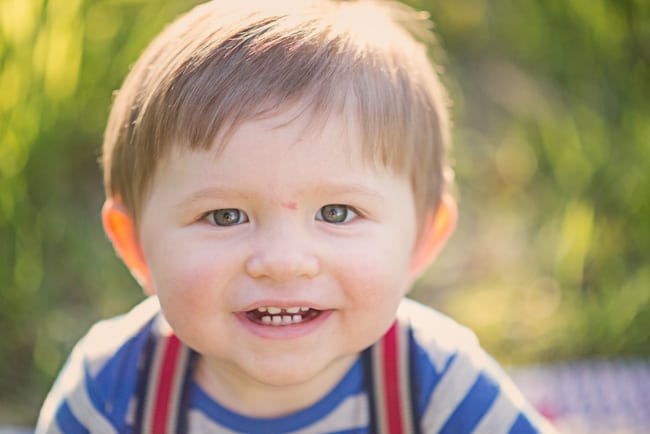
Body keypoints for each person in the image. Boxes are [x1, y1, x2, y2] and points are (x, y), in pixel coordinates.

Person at [36, 0, 556, 432]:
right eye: (223, 216)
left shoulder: (437, 387)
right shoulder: (111, 394)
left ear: (423, 238)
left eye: (336, 211)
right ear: (134, 247)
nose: (283, 263)